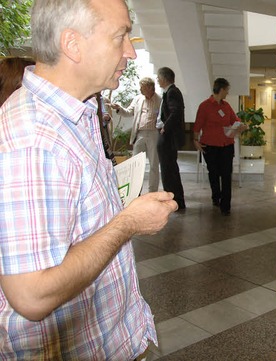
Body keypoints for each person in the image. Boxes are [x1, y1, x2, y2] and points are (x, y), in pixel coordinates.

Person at [0, 0, 178, 359]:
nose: (129, 51)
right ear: (72, 44)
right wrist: (127, 223)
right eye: (120, 36)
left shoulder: (77, 111)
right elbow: (32, 295)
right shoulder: (33, 142)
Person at [193, 78, 246, 216]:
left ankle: (226, 205)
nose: (227, 93)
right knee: (214, 174)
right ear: (221, 90)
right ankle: (216, 197)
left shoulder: (226, 106)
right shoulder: (204, 106)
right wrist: (195, 140)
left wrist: (241, 125)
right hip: (210, 146)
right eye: (227, 90)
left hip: (226, 145)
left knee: (227, 175)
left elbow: (235, 120)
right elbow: (198, 125)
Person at [111, 77, 162, 192]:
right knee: (136, 162)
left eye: (142, 88)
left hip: (154, 134)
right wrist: (119, 109)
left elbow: (163, 117)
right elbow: (129, 112)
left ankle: (152, 191)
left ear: (150, 88)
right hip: (140, 134)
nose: (140, 90)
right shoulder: (138, 99)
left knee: (154, 163)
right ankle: (136, 190)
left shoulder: (160, 100)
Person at [156, 66, 186, 209]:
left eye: (158, 77)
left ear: (163, 78)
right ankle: (175, 201)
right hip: (168, 136)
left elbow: (176, 112)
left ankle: (174, 202)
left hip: (168, 137)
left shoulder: (172, 92)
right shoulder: (170, 91)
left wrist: (164, 128)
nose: (157, 80)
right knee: (169, 170)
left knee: (169, 171)